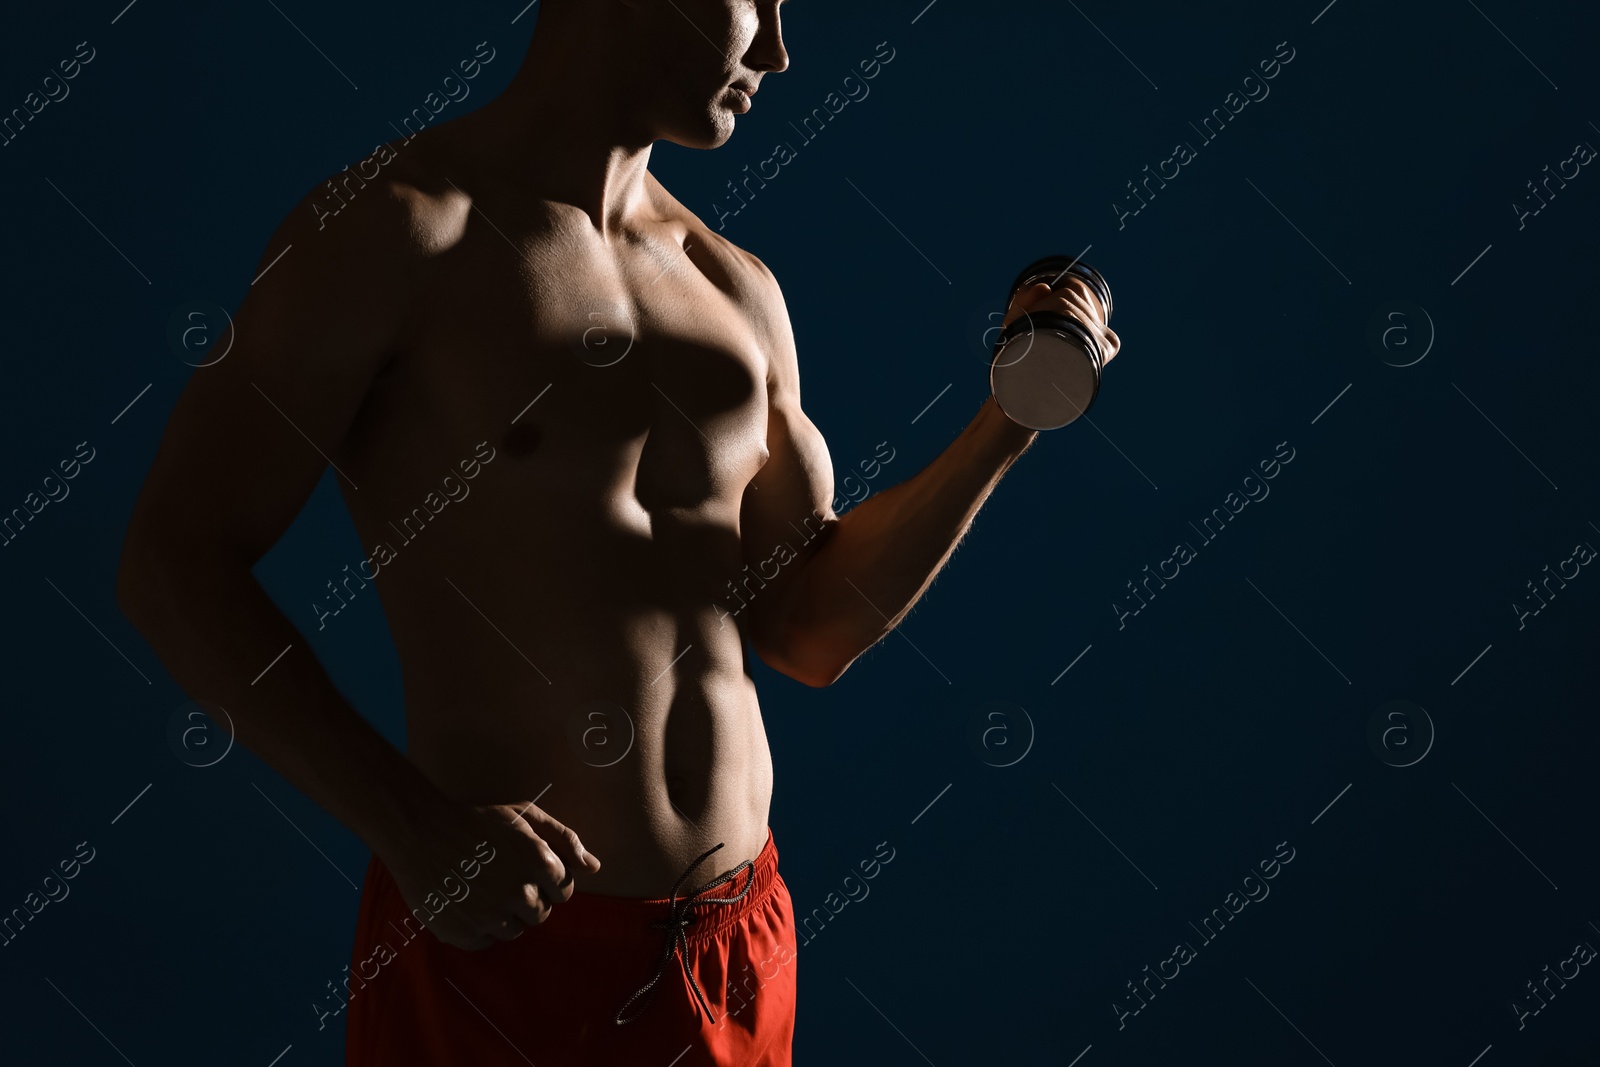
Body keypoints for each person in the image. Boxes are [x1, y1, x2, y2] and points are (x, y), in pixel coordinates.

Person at [115, 0, 1120, 1063]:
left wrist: (1003, 427)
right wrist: (411, 827)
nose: (779, 51)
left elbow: (808, 629)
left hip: (736, 942)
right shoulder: (396, 229)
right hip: (508, 947)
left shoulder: (735, 290)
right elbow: (172, 562)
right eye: (757, 4)